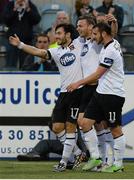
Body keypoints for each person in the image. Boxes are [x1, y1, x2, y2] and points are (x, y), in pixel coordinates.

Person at [9, 23, 84, 172]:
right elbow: (38, 52)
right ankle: (78, 153)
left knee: (70, 127)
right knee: (56, 127)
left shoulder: (80, 43)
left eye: (60, 33)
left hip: (78, 91)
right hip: (64, 93)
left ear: (68, 34)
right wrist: (20, 45)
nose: (57, 36)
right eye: (56, 34)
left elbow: (91, 32)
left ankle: (64, 162)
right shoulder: (56, 51)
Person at [67, 22, 126, 172]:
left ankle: (118, 164)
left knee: (115, 130)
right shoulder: (111, 43)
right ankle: (96, 157)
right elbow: (111, 33)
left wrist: (77, 83)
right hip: (101, 93)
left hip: (113, 94)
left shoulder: (110, 51)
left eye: (95, 34)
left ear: (103, 34)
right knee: (85, 123)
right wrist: (113, 23)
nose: (92, 37)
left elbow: (98, 74)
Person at [3, 0, 41, 70]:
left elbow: (37, 19)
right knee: (11, 61)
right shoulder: (10, 5)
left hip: (27, 39)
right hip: (12, 38)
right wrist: (14, 10)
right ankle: (10, 75)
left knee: (25, 62)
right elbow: (5, 20)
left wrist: (28, 9)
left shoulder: (30, 5)